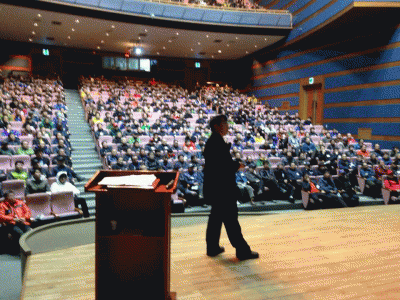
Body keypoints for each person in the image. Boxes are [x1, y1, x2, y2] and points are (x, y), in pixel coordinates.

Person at [204, 115, 258, 261]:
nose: (227, 126)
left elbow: (220, 163)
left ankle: (212, 247)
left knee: (215, 218)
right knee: (231, 219)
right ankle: (242, 250)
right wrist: (237, 165)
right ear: (217, 126)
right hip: (223, 189)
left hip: (217, 188)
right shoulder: (216, 142)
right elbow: (222, 167)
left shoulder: (214, 141)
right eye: (225, 123)